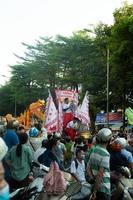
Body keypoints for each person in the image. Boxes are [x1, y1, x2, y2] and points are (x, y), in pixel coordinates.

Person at [87, 128, 112, 200]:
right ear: (109, 140)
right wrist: (95, 191)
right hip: (103, 188)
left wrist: (93, 179)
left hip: (95, 185)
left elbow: (88, 168)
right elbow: (100, 175)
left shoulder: (94, 150)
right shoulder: (106, 154)